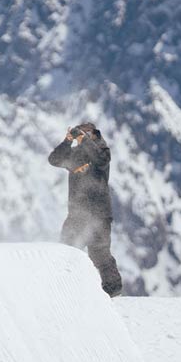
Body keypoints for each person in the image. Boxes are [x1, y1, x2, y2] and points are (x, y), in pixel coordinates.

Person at [48, 122, 124, 297]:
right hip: (77, 212)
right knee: (67, 249)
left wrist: (83, 138)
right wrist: (67, 141)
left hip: (99, 214)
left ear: (95, 135)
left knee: (99, 252)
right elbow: (54, 159)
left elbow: (100, 159)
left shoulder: (103, 152)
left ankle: (113, 290)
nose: (82, 136)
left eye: (86, 133)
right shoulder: (75, 156)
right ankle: (62, 288)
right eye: (80, 133)